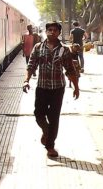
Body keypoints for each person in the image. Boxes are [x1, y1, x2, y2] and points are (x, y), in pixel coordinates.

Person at [23, 21, 80, 158]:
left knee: (54, 118)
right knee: (38, 114)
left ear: (59, 33)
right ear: (45, 31)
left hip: (57, 89)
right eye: (49, 30)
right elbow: (31, 66)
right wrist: (26, 80)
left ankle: (50, 147)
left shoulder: (64, 50)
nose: (52, 32)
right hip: (42, 87)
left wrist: (76, 87)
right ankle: (46, 131)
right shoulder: (38, 48)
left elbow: (70, 70)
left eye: (55, 30)